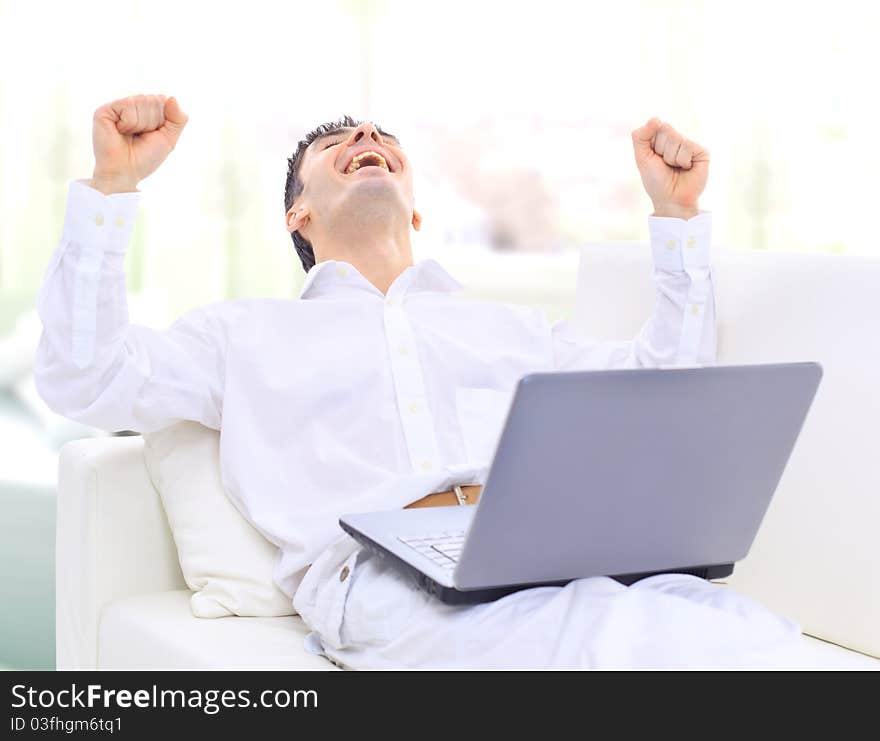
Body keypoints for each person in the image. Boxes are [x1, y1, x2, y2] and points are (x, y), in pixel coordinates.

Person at [35, 94, 804, 670]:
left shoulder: (508, 328)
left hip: (539, 558)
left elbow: (662, 387)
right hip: (377, 578)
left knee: (756, 637)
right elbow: (85, 375)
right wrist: (111, 187)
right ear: (298, 214)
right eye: (340, 142)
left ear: (418, 209)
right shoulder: (241, 334)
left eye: (382, 140)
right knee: (606, 646)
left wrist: (675, 214)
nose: (367, 139)